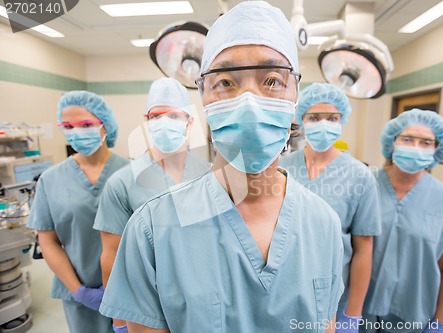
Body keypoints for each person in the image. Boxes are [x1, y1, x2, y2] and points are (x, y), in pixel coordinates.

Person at [100, 1, 344, 332]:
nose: (249, 100)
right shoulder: (152, 230)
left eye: (272, 80)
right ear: (203, 96)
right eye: (226, 81)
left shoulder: (323, 224)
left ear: (295, 97)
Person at [94, 77, 210, 333]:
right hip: (145, 302)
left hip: (204, 296)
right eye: (156, 116)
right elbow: (111, 257)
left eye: (174, 116)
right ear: (146, 122)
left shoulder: (209, 175)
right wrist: (120, 321)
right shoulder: (122, 182)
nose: (164, 122)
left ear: (190, 122)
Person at [279, 83, 381, 333]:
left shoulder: (360, 175)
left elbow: (363, 250)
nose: (323, 124)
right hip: (282, 292)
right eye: (314, 117)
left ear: (342, 120)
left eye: (332, 118)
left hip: (335, 296)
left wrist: (353, 315)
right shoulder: (281, 168)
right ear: (301, 119)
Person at [360, 109, 443, 333]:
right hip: (358, 307)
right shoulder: (364, 185)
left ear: (436, 149)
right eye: (407, 139)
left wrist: (441, 322)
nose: (415, 147)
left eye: (425, 142)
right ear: (392, 143)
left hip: (412, 312)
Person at [26, 91, 129, 333]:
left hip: (130, 289)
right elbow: (48, 241)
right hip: (79, 291)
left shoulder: (132, 173)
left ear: (105, 125)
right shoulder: (50, 180)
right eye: (68, 126)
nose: (76, 132)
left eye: (85, 124)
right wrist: (78, 291)